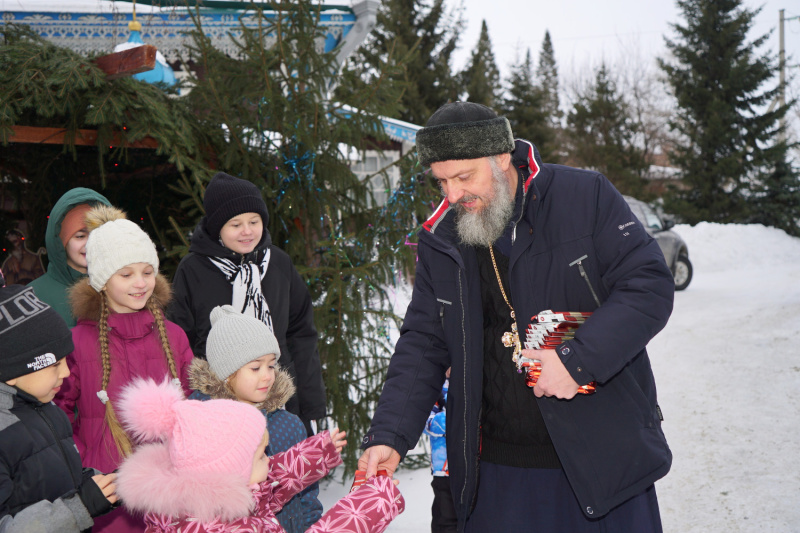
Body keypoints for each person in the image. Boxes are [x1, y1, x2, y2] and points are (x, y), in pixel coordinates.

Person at [358, 102, 675, 532]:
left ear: (502, 158)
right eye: (442, 181)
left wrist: (578, 361)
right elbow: (423, 343)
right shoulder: (441, 238)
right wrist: (389, 435)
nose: (453, 195)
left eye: (464, 177)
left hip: (601, 462)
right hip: (497, 474)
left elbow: (649, 286)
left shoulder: (585, 196)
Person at [55, 205, 195, 533]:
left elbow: (194, 403)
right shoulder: (77, 342)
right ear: (103, 280)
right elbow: (58, 413)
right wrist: (83, 461)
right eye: (126, 274)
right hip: (108, 495)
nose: (140, 283)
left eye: (147, 272)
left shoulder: (173, 336)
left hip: (168, 491)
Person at [116, 378, 404, 533]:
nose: (269, 457)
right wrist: (374, 503)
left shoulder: (191, 506)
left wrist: (316, 453)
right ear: (228, 472)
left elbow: (265, 487)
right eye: (260, 455)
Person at [169, 172, 326, 435]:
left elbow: (302, 335)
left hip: (279, 396)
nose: (247, 231)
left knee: (288, 469)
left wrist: (311, 406)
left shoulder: (278, 264)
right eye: (235, 224)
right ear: (217, 227)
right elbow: (178, 340)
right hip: (217, 403)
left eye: (254, 221)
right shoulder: (193, 270)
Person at [188, 305, 323, 533]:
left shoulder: (289, 424)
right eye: (255, 367)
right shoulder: (203, 425)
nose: (267, 376)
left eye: (271, 365)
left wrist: (309, 525)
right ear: (226, 373)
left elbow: (307, 490)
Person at [0, 284, 118, 532]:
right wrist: (79, 507)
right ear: (12, 371)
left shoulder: (45, 406)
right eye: (54, 365)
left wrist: (102, 483)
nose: (65, 372)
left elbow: (59, 474)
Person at [29, 187, 112, 327]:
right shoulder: (34, 297)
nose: (90, 244)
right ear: (61, 242)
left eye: (96, 234)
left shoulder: (122, 288)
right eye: (80, 236)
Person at [424, 369, 456, 533]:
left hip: (477, 466)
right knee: (445, 519)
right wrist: (453, 418)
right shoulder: (435, 385)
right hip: (444, 471)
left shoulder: (476, 379)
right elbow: (425, 420)